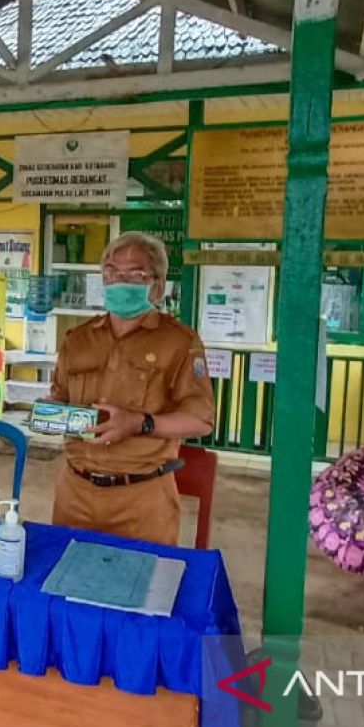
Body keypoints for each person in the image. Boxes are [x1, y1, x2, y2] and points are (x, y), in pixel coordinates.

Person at [49, 231, 214, 546]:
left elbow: (201, 419)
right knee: (63, 587)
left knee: (143, 590)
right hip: (75, 492)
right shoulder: (77, 339)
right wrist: (53, 410)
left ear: (157, 286)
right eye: (111, 273)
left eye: (134, 274)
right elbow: (60, 397)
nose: (119, 281)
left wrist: (141, 423)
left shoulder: (179, 342)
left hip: (142, 498)